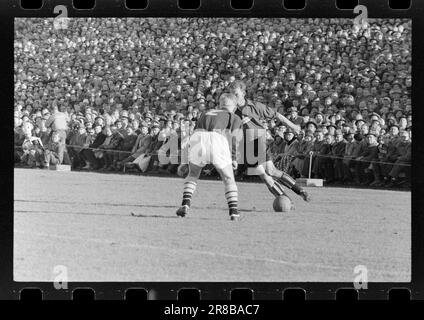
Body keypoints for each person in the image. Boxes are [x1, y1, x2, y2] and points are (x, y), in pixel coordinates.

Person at [229, 81, 310, 203]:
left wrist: (293, 126)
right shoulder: (230, 111)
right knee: (266, 177)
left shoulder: (255, 106)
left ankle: (300, 191)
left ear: (243, 93)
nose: (233, 97)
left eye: (236, 94)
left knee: (270, 171)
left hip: (258, 140)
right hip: (245, 147)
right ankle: (287, 201)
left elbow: (277, 115)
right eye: (231, 94)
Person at [176, 93, 242, 221]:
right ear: (234, 106)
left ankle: (185, 204)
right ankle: (233, 212)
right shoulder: (233, 116)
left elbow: (195, 133)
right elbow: (235, 138)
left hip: (198, 138)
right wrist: (234, 158)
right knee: (228, 178)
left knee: (193, 174)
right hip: (218, 139)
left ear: (220, 104)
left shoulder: (206, 113)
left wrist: (184, 160)